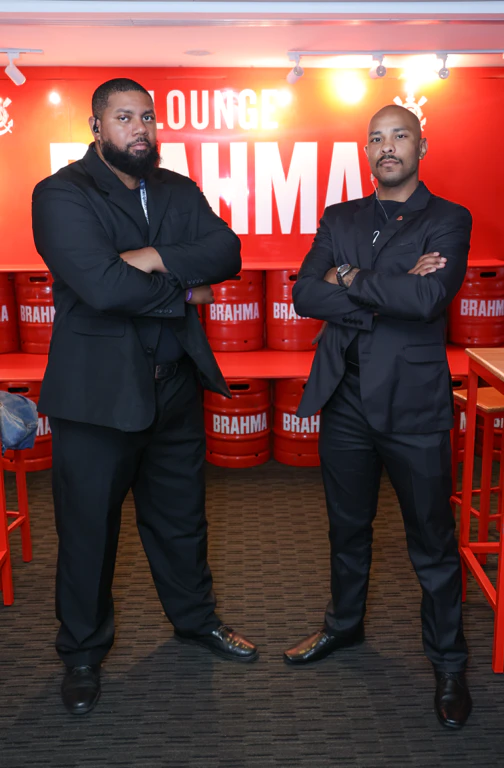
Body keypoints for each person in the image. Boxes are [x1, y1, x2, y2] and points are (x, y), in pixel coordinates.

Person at [32, 78, 258, 716]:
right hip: (97, 398)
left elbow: (227, 252)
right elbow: (103, 287)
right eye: (124, 117)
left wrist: (153, 255)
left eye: (147, 118)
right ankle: (81, 654)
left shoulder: (177, 189)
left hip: (174, 385)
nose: (140, 129)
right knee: (88, 533)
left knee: (182, 519)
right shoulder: (61, 193)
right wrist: (186, 291)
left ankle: (195, 620)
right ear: (96, 127)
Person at [286, 104, 472, 729]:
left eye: (399, 136)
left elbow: (427, 299)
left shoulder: (448, 218)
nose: (387, 147)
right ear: (366, 151)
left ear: (422, 145)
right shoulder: (340, 217)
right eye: (376, 139)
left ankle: (449, 664)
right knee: (347, 528)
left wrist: (349, 278)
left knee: (432, 542)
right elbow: (304, 293)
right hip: (344, 400)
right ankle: (344, 625)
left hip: (413, 404)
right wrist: (387, 284)